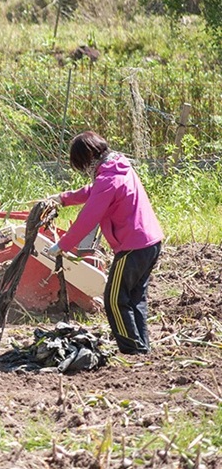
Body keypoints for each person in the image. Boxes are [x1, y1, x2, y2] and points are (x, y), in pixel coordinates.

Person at [43, 130, 164, 355]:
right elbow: (93, 192)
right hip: (150, 243)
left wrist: (62, 245)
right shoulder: (117, 166)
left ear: (86, 158)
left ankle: (131, 350)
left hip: (133, 247)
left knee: (115, 299)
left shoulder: (108, 178)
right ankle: (141, 348)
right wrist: (63, 198)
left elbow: (88, 217)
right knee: (135, 298)